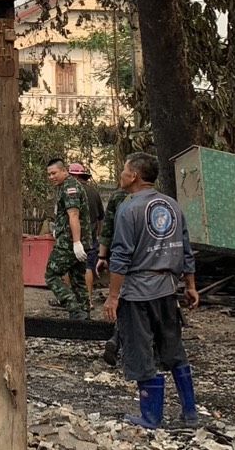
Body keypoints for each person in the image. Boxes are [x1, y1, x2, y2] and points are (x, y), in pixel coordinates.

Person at [105, 151, 201, 429]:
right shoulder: (172, 205)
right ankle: (190, 412)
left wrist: (113, 296)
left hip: (137, 291)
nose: (121, 174)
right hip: (168, 289)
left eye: (124, 170)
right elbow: (185, 247)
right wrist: (191, 285)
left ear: (134, 175)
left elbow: (121, 255)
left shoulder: (129, 209)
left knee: (140, 352)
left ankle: (151, 416)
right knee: (174, 349)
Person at [45, 157, 91, 320]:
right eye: (49, 174)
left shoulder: (70, 187)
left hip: (69, 243)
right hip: (76, 241)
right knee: (78, 279)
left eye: (54, 173)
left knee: (51, 274)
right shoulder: (65, 186)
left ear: (64, 171)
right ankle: (83, 315)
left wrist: (76, 242)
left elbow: (74, 215)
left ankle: (73, 306)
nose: (51, 177)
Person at [95, 185, 127, 366]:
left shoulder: (118, 197)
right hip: (147, 258)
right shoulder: (155, 199)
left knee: (122, 297)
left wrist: (102, 255)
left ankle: (116, 339)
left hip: (120, 253)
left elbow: (107, 229)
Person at [71, 163, 105, 300]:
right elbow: (101, 218)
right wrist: (98, 234)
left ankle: (70, 299)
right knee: (88, 267)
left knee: (68, 267)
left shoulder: (71, 191)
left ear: (75, 176)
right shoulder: (94, 192)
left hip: (74, 237)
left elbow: (71, 215)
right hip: (91, 237)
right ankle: (88, 300)